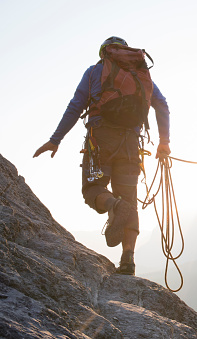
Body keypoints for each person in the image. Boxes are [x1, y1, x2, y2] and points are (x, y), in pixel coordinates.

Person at [33, 36, 171, 276]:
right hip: (130, 144)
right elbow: (162, 105)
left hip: (101, 141)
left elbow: (75, 106)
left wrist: (55, 140)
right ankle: (128, 260)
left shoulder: (95, 71)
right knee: (129, 198)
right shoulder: (139, 75)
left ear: (103, 53)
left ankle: (114, 206)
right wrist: (164, 143)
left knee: (92, 189)